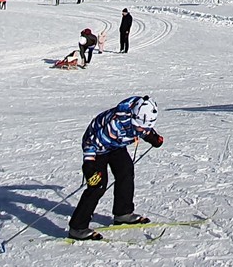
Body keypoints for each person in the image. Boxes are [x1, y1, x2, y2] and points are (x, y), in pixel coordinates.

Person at [65, 95, 163, 240]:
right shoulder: (114, 124)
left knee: (126, 171)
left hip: (116, 145)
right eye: (140, 126)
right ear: (133, 117)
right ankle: (77, 228)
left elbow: (143, 129)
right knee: (97, 185)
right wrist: (89, 166)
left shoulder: (141, 119)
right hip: (97, 148)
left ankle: (123, 213)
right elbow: (91, 144)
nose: (142, 129)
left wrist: (152, 137)